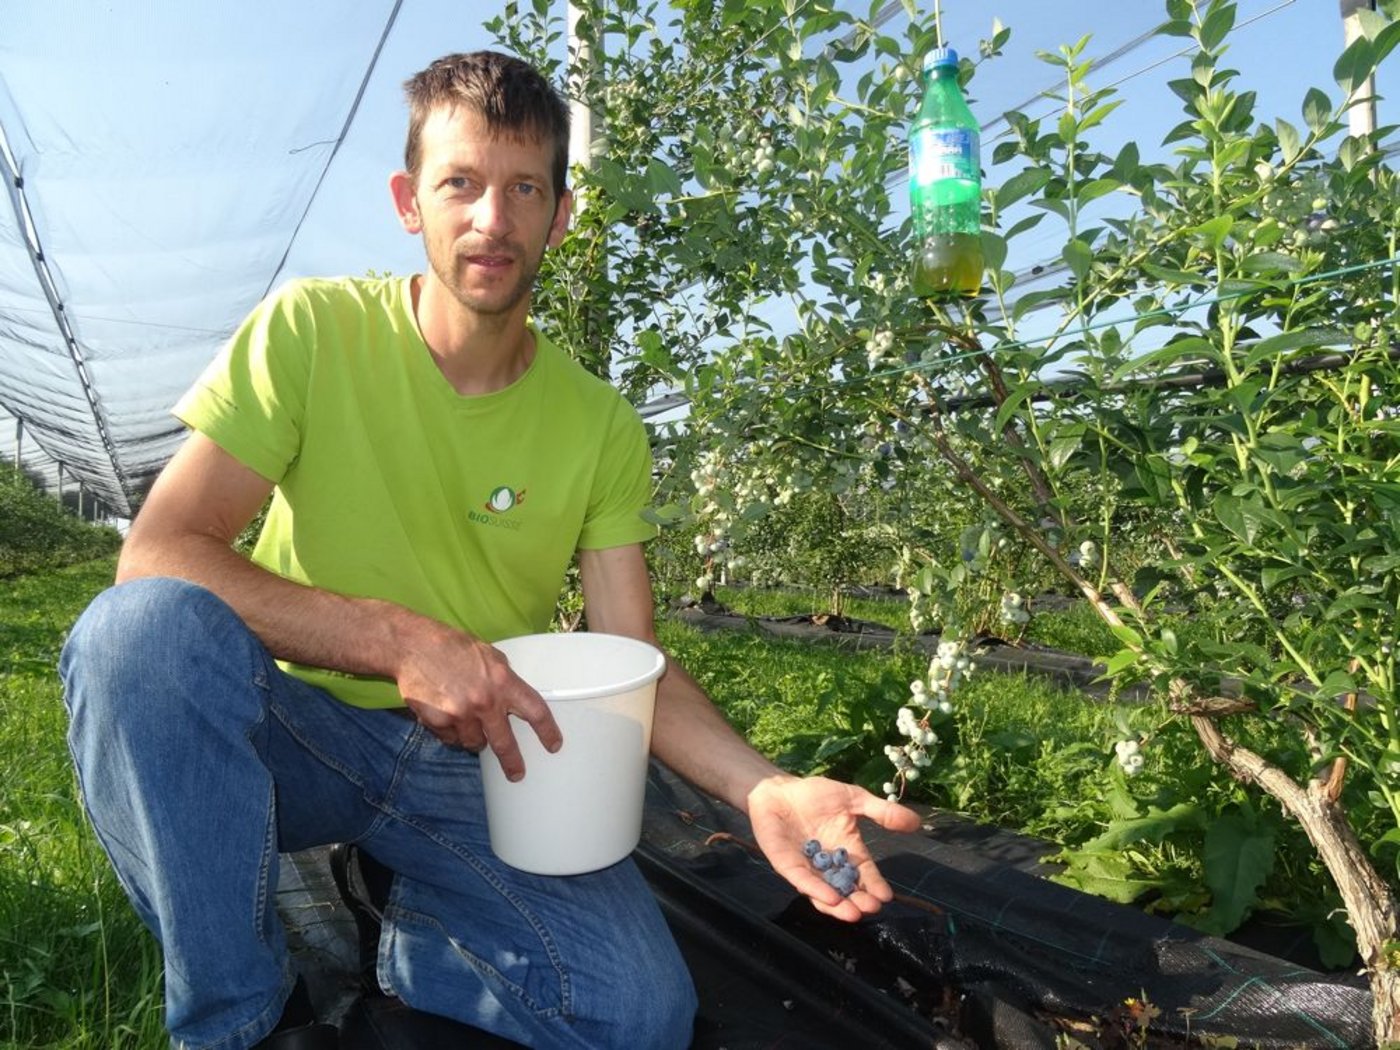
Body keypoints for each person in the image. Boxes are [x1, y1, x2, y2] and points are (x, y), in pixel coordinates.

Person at [58, 50, 921, 1050]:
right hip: (294, 730)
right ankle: (242, 1018)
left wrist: (759, 785)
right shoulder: (312, 332)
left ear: (560, 214)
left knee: (636, 1016)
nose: (490, 219)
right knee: (137, 637)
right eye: (459, 183)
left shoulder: (596, 426)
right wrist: (397, 641)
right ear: (407, 201)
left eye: (523, 189)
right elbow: (160, 551)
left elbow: (629, 660)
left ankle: (414, 928)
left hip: (484, 758)